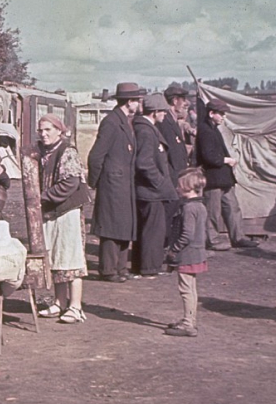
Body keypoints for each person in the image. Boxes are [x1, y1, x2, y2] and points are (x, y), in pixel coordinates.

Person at [36, 114, 91, 323]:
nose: (43, 134)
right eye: (41, 130)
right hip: (52, 211)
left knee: (71, 257)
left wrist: (42, 196)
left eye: (48, 130)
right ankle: (59, 303)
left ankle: (75, 306)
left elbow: (71, 183)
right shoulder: (45, 152)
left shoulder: (67, 151)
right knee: (56, 257)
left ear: (59, 131)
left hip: (68, 210)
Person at [87, 82, 143, 283]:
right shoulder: (111, 122)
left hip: (123, 183)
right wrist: (94, 182)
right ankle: (108, 269)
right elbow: (96, 155)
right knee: (111, 227)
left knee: (123, 225)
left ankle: (120, 267)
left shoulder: (125, 120)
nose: (138, 103)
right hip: (112, 183)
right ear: (130, 102)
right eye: (137, 100)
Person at [195, 99, 259, 250]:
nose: (223, 116)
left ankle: (238, 238)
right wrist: (226, 160)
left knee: (233, 208)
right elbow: (208, 156)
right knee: (212, 212)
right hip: (213, 179)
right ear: (212, 114)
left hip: (223, 179)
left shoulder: (213, 129)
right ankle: (213, 241)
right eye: (221, 113)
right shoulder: (205, 130)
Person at [132, 93, 178, 277]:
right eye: (163, 112)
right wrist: (159, 182)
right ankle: (149, 268)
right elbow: (144, 163)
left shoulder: (143, 128)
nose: (165, 116)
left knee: (146, 230)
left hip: (147, 190)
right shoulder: (145, 130)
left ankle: (142, 266)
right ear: (155, 111)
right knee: (153, 231)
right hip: (151, 192)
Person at [164, 167, 209, 337]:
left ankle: (188, 324)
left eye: (179, 185)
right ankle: (189, 319)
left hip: (187, 254)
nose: (176, 188)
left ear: (187, 187)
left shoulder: (189, 208)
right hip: (197, 253)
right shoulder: (200, 206)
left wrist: (173, 251)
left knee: (185, 289)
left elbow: (186, 235)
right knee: (191, 288)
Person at [159, 86, 191, 248]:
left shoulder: (172, 121)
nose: (186, 103)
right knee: (168, 215)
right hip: (172, 179)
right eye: (183, 99)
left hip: (175, 177)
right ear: (174, 100)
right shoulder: (165, 122)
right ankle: (163, 248)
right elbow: (172, 152)